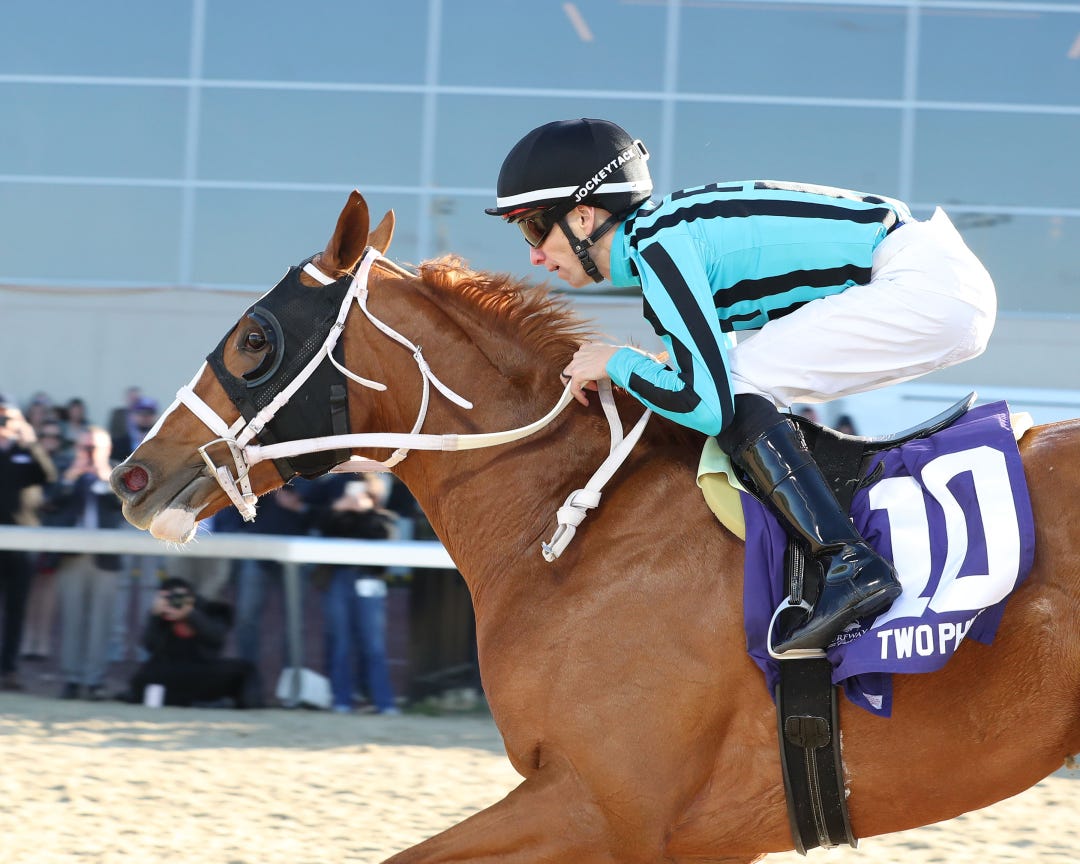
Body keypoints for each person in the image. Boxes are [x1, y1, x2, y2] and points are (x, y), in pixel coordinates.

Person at [486, 118, 997, 652]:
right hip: (934, 282)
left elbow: (708, 406)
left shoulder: (660, 247)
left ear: (584, 215)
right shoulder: (665, 236)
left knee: (738, 385)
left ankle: (848, 562)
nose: (534, 257)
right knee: (741, 377)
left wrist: (618, 362)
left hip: (923, 285)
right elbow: (704, 366)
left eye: (532, 229)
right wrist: (633, 364)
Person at [47, 425, 124, 699]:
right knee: (71, 620)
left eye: (95, 448)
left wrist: (105, 478)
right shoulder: (66, 470)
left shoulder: (118, 473)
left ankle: (94, 680)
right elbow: (49, 501)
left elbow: (127, 507)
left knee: (101, 623)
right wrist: (70, 478)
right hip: (72, 557)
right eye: (85, 447)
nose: (89, 453)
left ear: (107, 449)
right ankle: (71, 678)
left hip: (106, 559)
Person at [313, 474, 400, 714]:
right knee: (339, 641)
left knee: (373, 645)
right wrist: (337, 509)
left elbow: (385, 543)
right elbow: (319, 526)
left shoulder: (383, 519)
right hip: (337, 578)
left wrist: (368, 511)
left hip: (369, 579)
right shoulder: (336, 515)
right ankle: (341, 699)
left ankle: (383, 702)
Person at [122, 577, 262, 708]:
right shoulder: (160, 616)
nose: (176, 601)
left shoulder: (210, 609)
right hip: (171, 673)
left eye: (181, 596)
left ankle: (226, 702)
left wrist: (190, 614)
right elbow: (150, 646)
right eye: (171, 597)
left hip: (205, 669)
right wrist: (155, 616)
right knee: (144, 678)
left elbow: (216, 636)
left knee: (245, 671)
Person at [0, 393, 57, 690]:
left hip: (20, 542)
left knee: (15, 609)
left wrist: (28, 437)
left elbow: (47, 475)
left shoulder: (23, 450)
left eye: (5, 417)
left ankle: (8, 668)